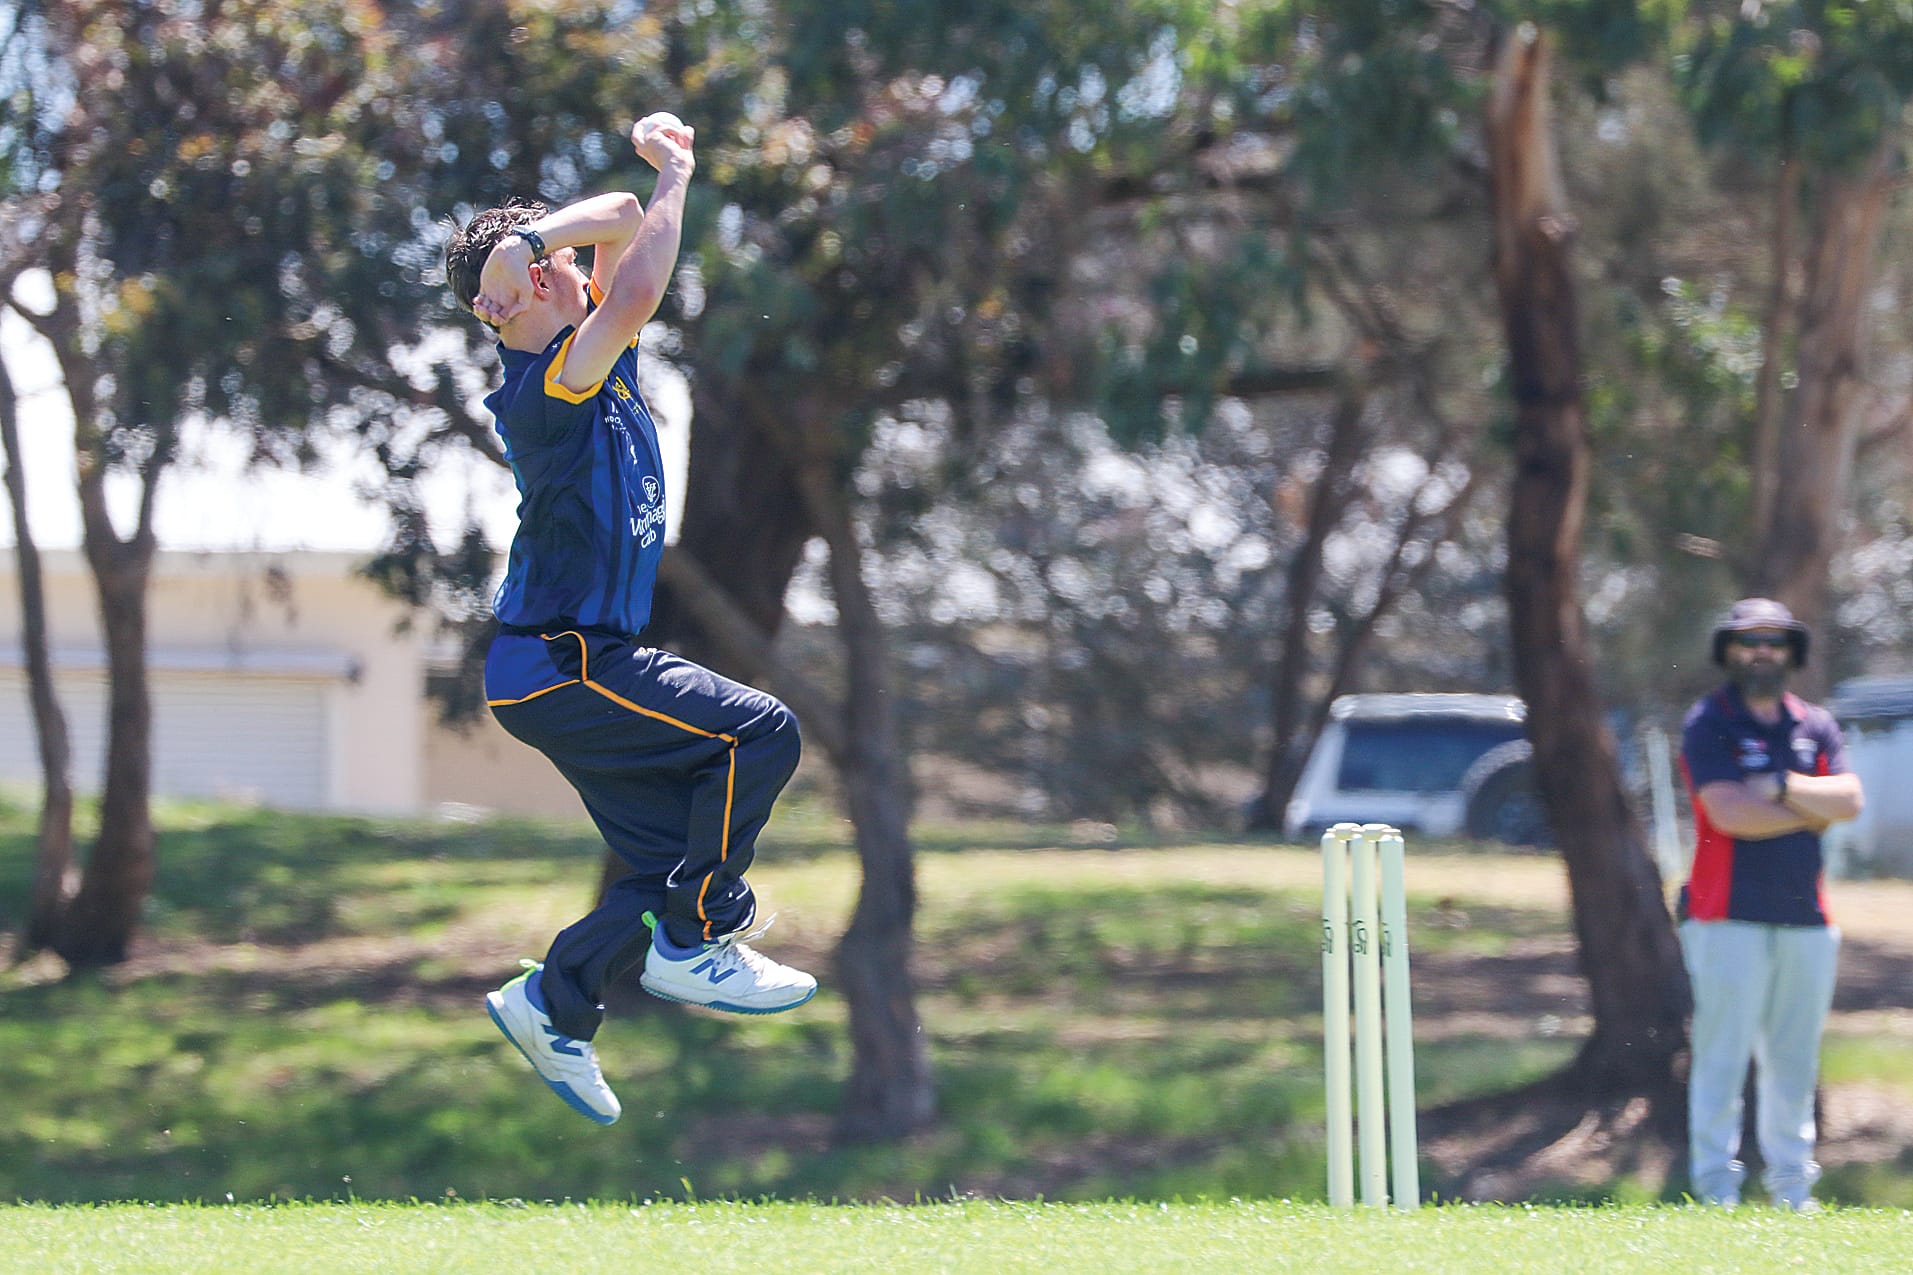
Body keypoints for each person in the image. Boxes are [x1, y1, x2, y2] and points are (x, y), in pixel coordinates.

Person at [441, 112, 816, 1127]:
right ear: (504, 303)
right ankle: (700, 943)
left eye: (568, 263)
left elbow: (616, 219)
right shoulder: (551, 385)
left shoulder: (594, 353)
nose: (577, 275)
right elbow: (642, 277)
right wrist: (679, 177)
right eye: (552, 271)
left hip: (570, 666)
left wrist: (615, 197)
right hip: (562, 663)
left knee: (659, 866)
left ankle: (552, 1002)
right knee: (759, 731)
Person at [1677, 597, 1863, 1210]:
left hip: (1807, 919)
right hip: (1726, 914)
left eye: (1774, 642)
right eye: (1749, 641)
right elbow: (1727, 813)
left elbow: (1850, 801)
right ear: (1728, 650)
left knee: (1794, 1061)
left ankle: (1792, 1191)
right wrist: (1810, 810)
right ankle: (1715, 1189)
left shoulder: (1815, 726)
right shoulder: (1710, 723)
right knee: (1722, 1055)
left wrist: (1782, 788)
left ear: (1791, 653)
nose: (1762, 652)